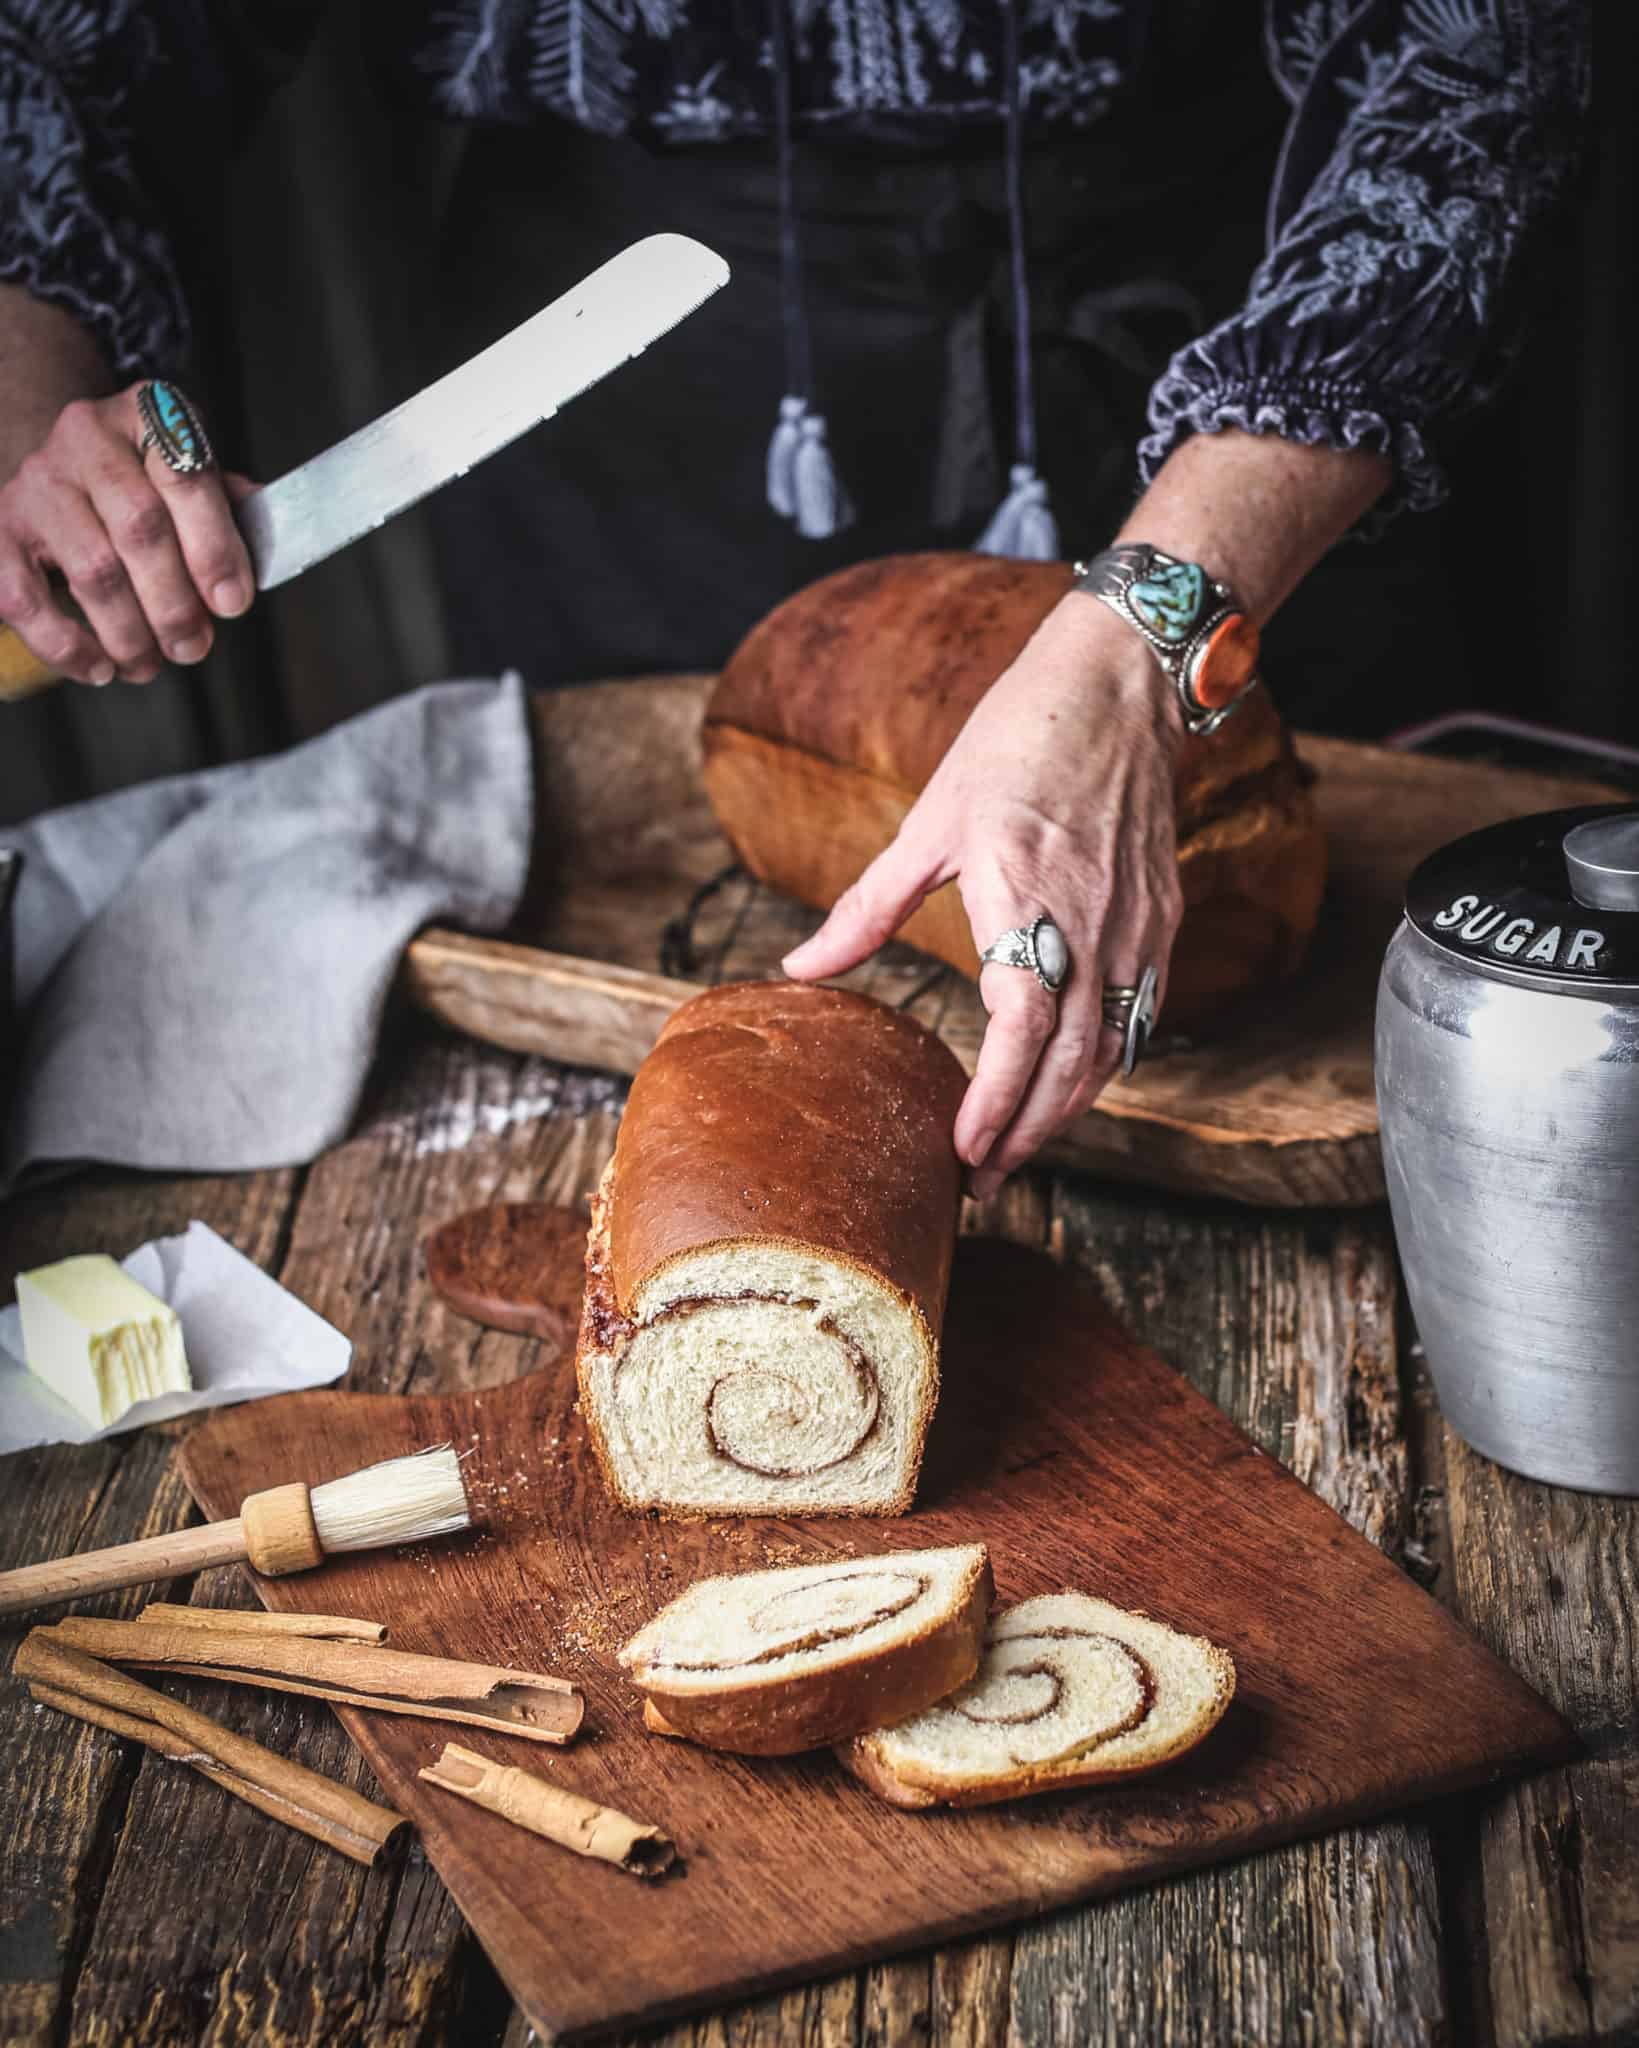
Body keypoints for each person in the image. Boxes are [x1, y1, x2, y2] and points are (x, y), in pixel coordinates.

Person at [0, 1, 1590, 1195]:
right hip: (624, 374)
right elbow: (66, 49)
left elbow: (1467, 64)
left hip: (1245, 361)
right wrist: (30, 395)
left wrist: (1142, 643)